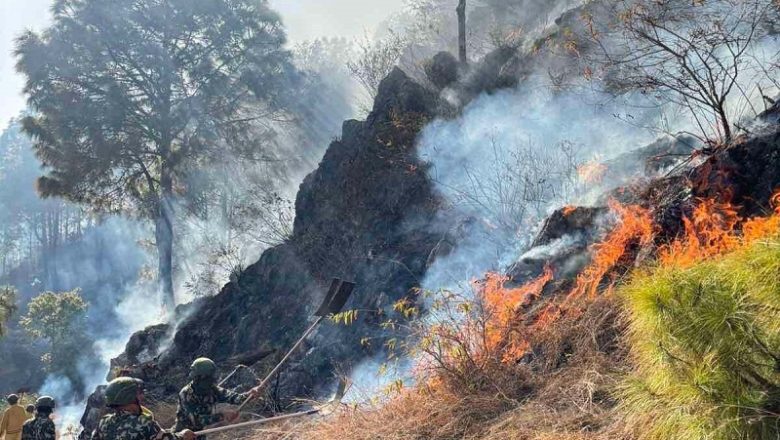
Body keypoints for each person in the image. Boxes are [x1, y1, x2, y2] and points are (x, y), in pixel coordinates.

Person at [91, 377, 194, 440]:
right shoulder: (144, 423)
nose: (142, 397)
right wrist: (183, 435)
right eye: (139, 393)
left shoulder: (104, 422)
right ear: (130, 397)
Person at [173, 358, 258, 433]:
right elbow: (197, 421)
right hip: (182, 435)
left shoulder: (212, 389)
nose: (212, 380)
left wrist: (249, 395)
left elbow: (232, 397)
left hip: (199, 434)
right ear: (199, 378)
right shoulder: (186, 394)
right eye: (208, 378)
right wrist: (222, 416)